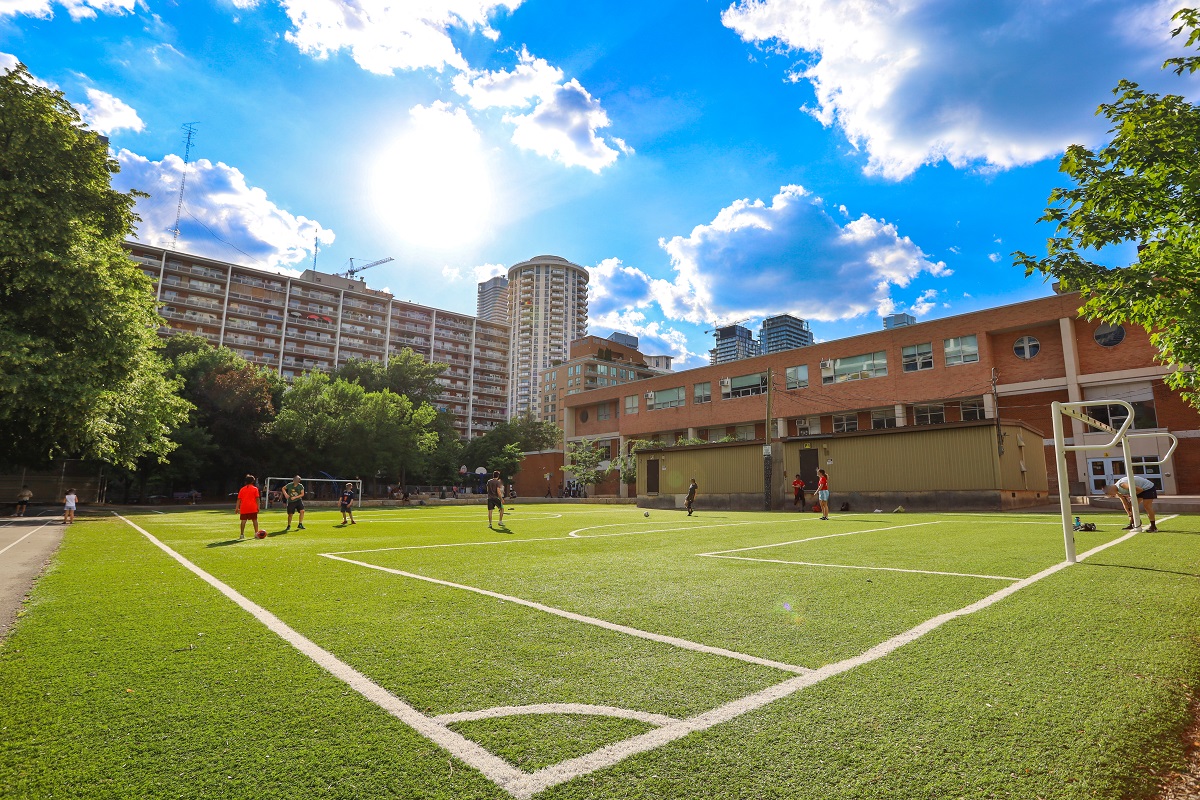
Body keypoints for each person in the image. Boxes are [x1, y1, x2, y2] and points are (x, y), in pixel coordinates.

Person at [236, 475, 261, 540]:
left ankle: (242, 534)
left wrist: (236, 508)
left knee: (243, 521)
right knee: (255, 520)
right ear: (253, 481)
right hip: (252, 507)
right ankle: (256, 533)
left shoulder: (242, 489)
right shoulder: (255, 489)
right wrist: (258, 507)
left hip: (244, 507)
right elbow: (257, 499)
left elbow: (239, 499)